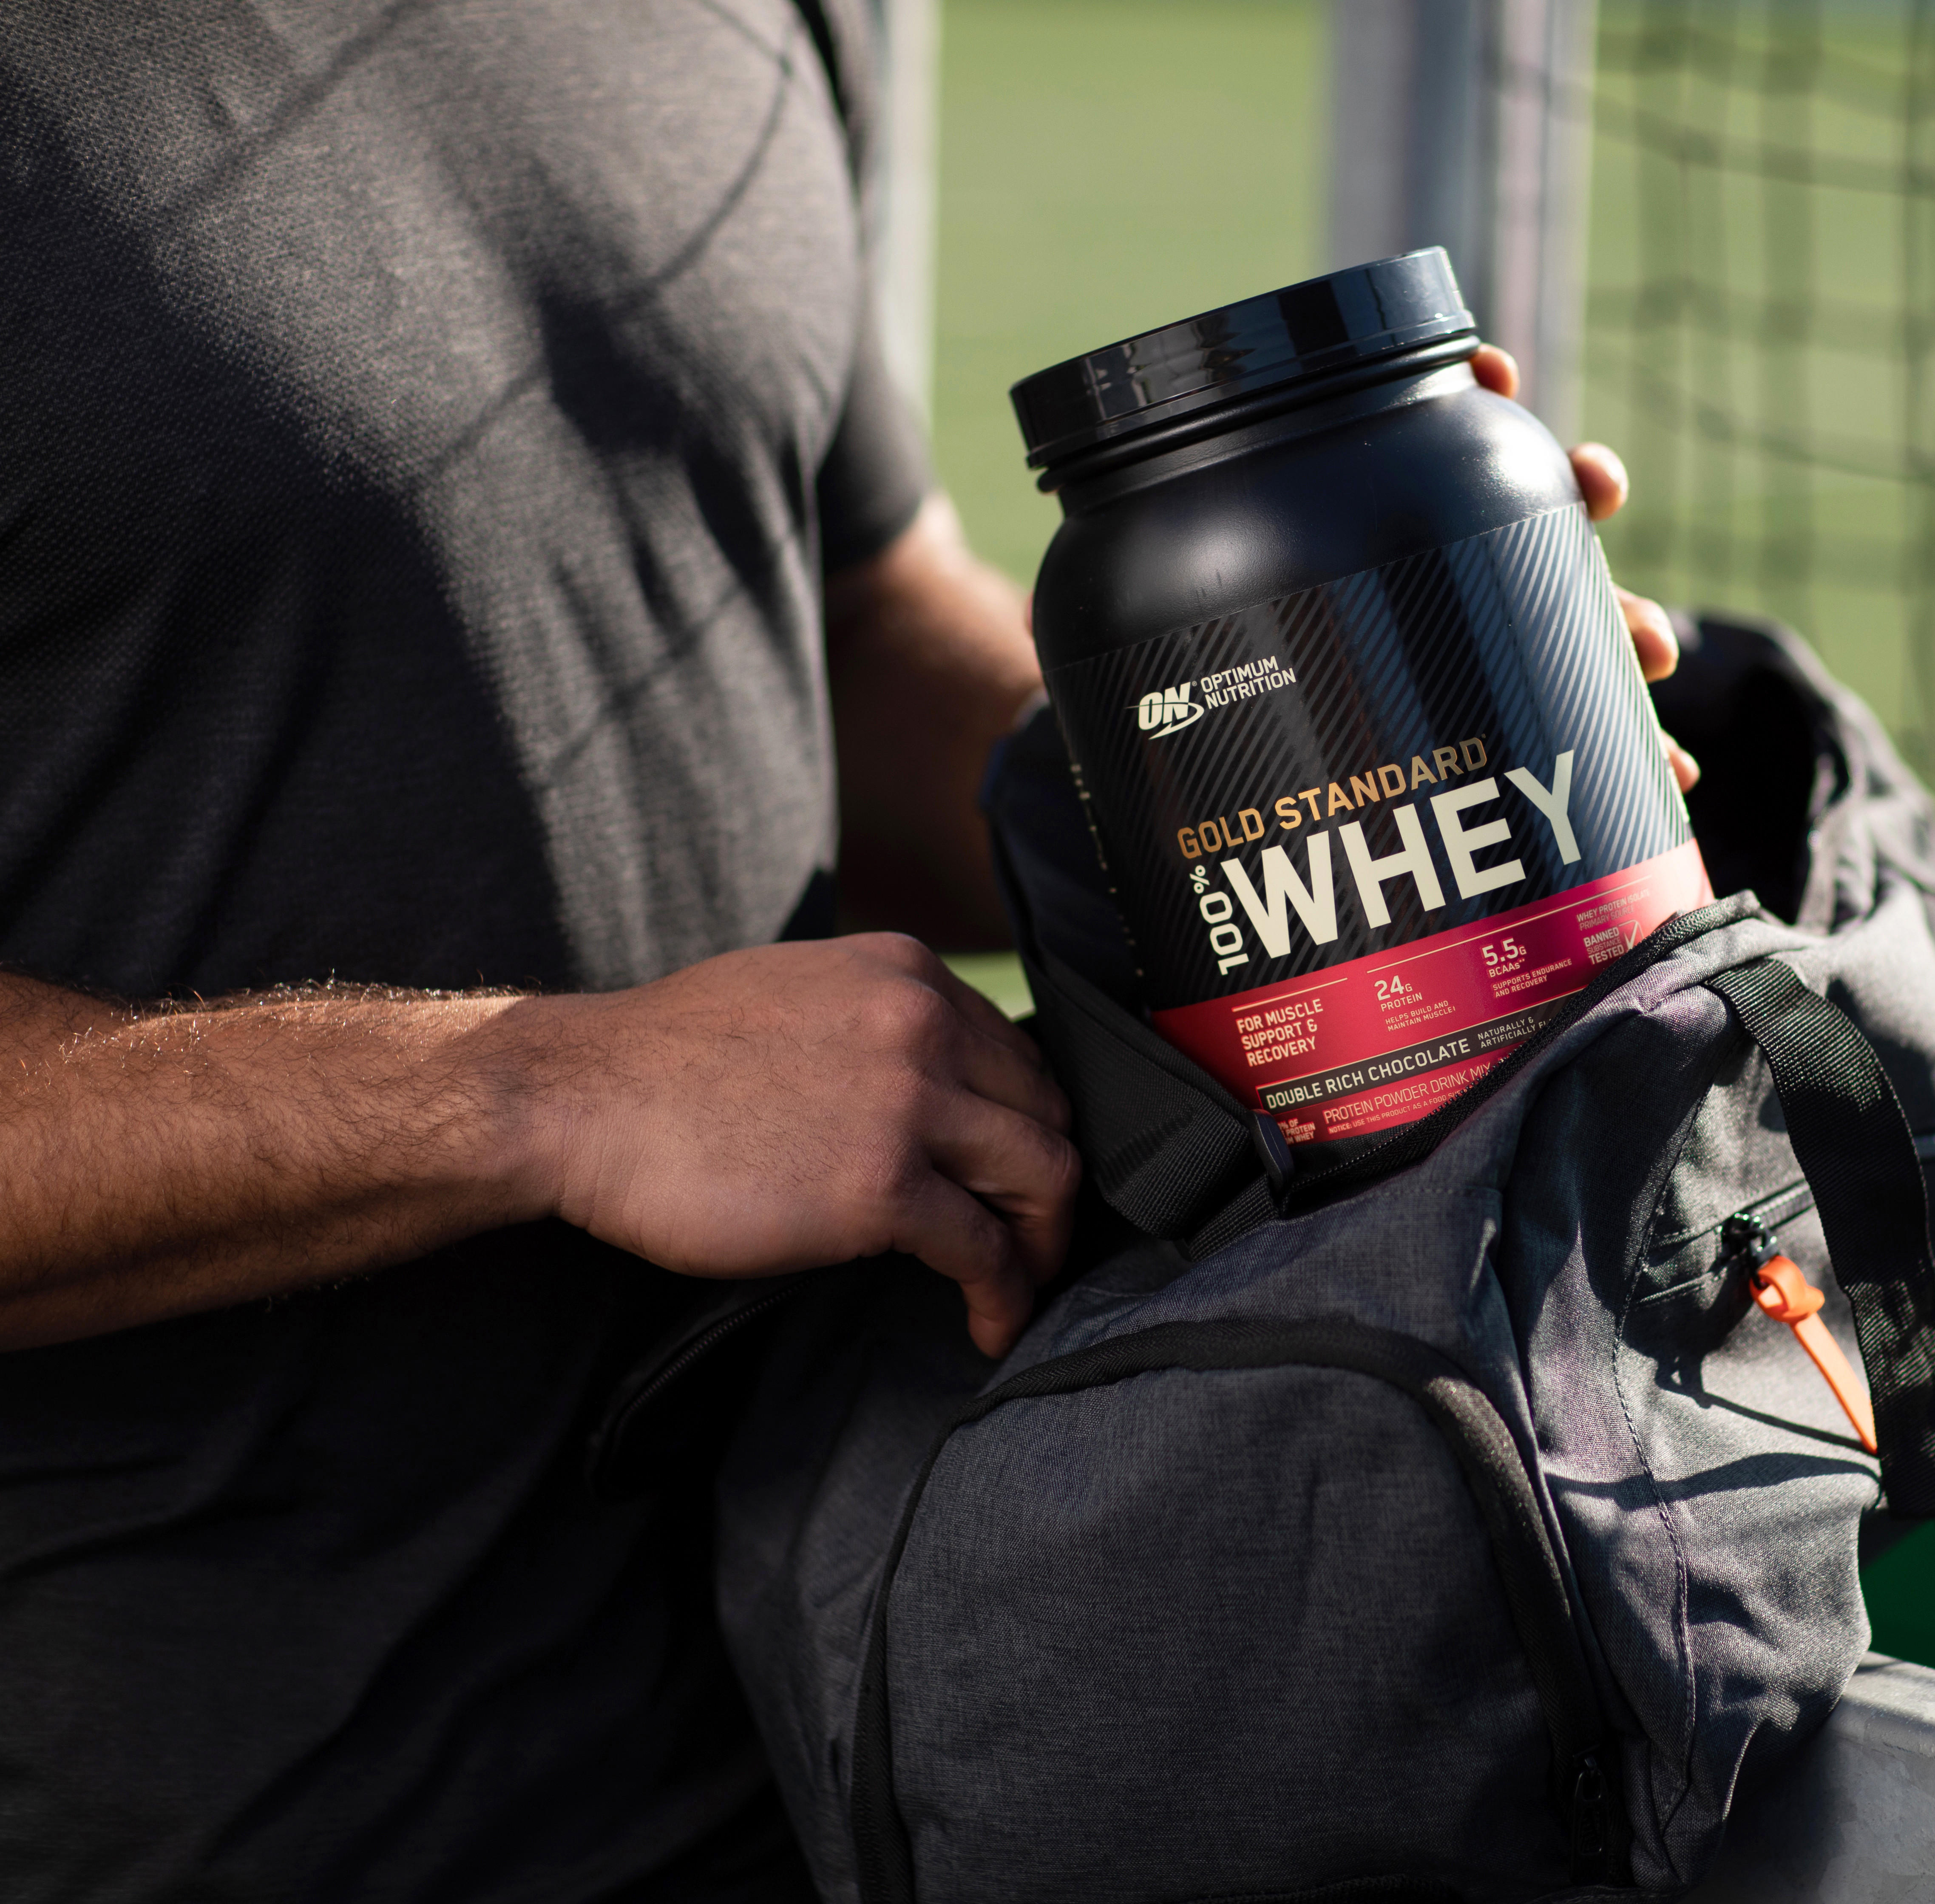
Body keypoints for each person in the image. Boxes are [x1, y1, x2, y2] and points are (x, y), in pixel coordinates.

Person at [0, 5, 1686, 1898]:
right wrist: (543, 1088)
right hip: (229, 1804)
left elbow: (846, 625)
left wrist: (1312, 729)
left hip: (869, 1688)